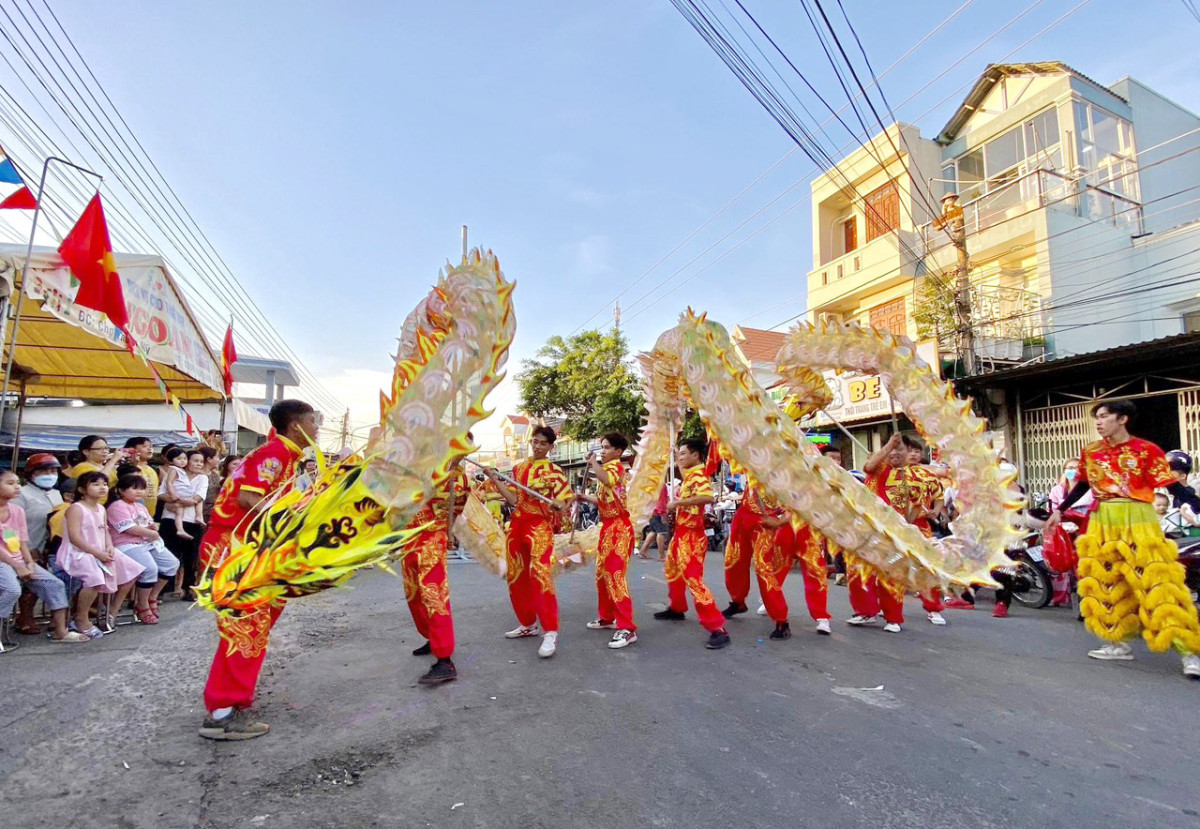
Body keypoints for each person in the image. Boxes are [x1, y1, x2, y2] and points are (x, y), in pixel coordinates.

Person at [1046, 400, 1200, 678]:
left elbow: (1172, 485)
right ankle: (1118, 643)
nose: (1099, 422)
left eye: (1104, 416)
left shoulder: (1146, 450)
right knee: (1107, 583)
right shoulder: (1091, 452)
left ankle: (1188, 651)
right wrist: (1059, 510)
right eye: (1097, 417)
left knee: (1159, 585)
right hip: (1102, 521)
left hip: (1138, 520)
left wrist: (1195, 502)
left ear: (1123, 419)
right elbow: (1082, 484)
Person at [199, 399, 318, 741]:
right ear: (296, 425)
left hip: (254, 550)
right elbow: (249, 499)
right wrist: (291, 523)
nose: (316, 428)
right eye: (313, 421)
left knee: (256, 627)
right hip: (236, 551)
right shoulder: (275, 454)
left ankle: (231, 702)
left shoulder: (290, 458)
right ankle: (221, 714)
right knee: (245, 630)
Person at [486, 425, 573, 659]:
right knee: (516, 575)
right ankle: (528, 623)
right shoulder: (519, 468)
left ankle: (550, 631)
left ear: (551, 447)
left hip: (539, 527)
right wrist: (496, 480)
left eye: (543, 443)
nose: (537, 446)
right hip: (517, 525)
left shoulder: (555, 472)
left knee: (541, 574)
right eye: (534, 441)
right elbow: (515, 499)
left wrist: (558, 504)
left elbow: (565, 501)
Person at [652, 438, 731, 649]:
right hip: (681, 534)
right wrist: (674, 453)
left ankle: (717, 628)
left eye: (684, 453)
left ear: (696, 455)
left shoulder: (699, 476)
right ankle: (677, 608)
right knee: (673, 572)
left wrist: (677, 503)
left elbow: (707, 497)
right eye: (680, 453)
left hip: (693, 537)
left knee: (693, 580)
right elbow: (681, 467)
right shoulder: (690, 475)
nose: (680, 457)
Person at [401, 442, 469, 685]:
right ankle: (432, 637)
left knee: (433, 593)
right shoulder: (424, 466)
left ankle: (445, 659)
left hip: (432, 537)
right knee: (413, 592)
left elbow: (453, 511)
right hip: (410, 535)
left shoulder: (458, 479)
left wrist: (448, 533)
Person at [0, 470, 88, 646]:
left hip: (17, 558)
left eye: (18, 483)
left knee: (54, 584)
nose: (17, 487)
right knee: (12, 589)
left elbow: (17, 539)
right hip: (4, 561)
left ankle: (60, 631)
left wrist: (30, 562)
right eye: (10, 483)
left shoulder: (15, 510)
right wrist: (17, 566)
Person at [56, 471, 144, 637]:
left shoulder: (101, 508)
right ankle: (81, 618)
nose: (102, 487)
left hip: (100, 551)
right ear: (82, 489)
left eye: (104, 484)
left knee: (133, 568)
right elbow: (75, 538)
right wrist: (97, 553)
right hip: (78, 553)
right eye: (95, 484)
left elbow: (105, 532)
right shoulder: (76, 508)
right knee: (95, 578)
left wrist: (109, 546)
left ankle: (112, 612)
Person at [578, 433, 637, 649]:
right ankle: (607, 617)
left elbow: (606, 479)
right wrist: (585, 498)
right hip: (608, 527)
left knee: (615, 575)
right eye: (601, 447)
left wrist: (593, 462)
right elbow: (603, 499)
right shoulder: (607, 470)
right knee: (602, 574)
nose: (602, 451)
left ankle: (627, 628)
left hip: (620, 528)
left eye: (606, 447)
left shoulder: (616, 469)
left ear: (618, 452)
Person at [107, 473, 180, 625]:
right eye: (134, 488)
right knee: (150, 569)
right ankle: (142, 605)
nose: (139, 492)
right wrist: (151, 532)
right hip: (126, 544)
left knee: (172, 564)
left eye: (141, 489)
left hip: (147, 542)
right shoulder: (116, 506)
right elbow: (129, 528)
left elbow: (147, 523)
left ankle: (152, 596)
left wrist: (152, 529)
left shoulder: (140, 506)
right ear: (121, 490)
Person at [13, 454, 65, 634]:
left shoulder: (56, 494)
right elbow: (11, 527)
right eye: (44, 470)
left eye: (53, 470)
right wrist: (23, 548)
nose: (50, 474)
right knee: (28, 584)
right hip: (23, 547)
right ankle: (24, 617)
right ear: (31, 473)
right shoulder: (21, 495)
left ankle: (53, 618)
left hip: (48, 545)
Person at [721, 477, 770, 619]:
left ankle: (778, 615)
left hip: (765, 518)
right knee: (734, 560)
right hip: (744, 515)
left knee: (764, 566)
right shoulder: (750, 465)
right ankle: (738, 601)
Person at [161, 448, 196, 542]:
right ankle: (180, 529)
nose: (182, 461)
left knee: (180, 511)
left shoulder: (181, 470)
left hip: (182, 494)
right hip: (178, 494)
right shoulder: (174, 470)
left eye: (184, 458)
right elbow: (169, 482)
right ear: (171, 460)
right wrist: (173, 494)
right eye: (179, 459)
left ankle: (180, 529)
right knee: (179, 512)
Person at [123, 437, 159, 515]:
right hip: (133, 513)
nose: (149, 449)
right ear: (132, 449)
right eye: (144, 446)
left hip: (149, 514)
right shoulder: (128, 469)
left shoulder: (152, 470)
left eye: (151, 446)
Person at [636, 482, 672, 561]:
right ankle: (662, 555)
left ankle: (643, 551)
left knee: (653, 531)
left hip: (651, 510)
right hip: (658, 511)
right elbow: (662, 500)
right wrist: (663, 512)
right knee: (661, 532)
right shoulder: (660, 484)